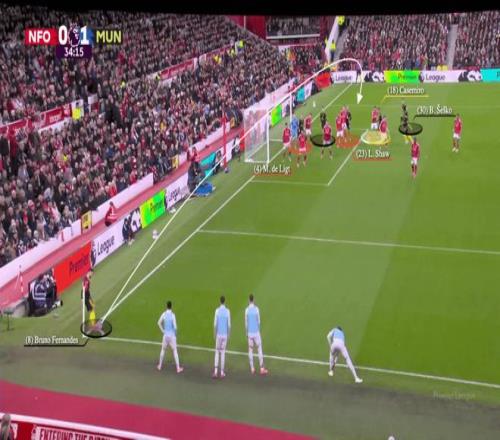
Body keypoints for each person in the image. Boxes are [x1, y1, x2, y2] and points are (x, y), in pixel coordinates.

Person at [157, 301, 184, 373]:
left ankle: (160, 365)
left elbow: (158, 323)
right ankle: (178, 368)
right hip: (172, 336)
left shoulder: (164, 314)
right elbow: (175, 327)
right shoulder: (173, 315)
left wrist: (163, 331)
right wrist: (175, 335)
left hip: (165, 335)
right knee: (175, 351)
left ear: (166, 306)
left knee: (163, 349)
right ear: (171, 306)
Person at [245, 294, 268, 375]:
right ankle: (262, 368)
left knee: (250, 349)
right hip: (256, 332)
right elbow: (259, 322)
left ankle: (252, 368)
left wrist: (246, 332)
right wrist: (258, 330)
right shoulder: (256, 309)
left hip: (249, 333)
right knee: (259, 349)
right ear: (253, 300)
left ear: (249, 300)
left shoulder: (247, 310)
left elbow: (246, 323)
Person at [213, 295, 231, 379]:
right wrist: (229, 334)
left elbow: (215, 324)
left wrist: (214, 334)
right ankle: (222, 372)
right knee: (223, 352)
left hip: (219, 335)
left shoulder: (217, 311)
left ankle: (215, 371)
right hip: (225, 335)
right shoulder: (227, 311)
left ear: (220, 301)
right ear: (225, 301)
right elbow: (229, 325)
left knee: (217, 352)